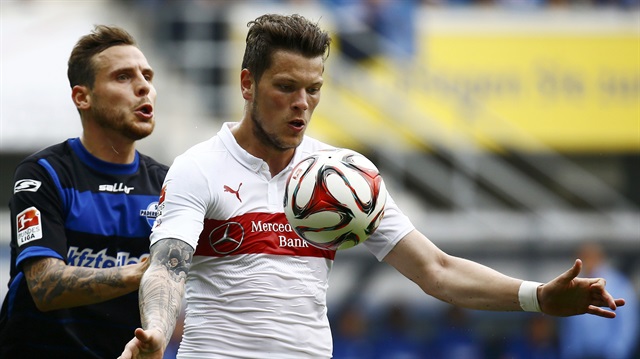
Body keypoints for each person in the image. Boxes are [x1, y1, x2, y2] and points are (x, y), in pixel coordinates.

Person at [119, 14, 626, 359]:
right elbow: (167, 268)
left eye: (313, 89)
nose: (302, 103)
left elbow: (437, 270)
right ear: (248, 84)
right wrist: (157, 333)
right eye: (286, 87)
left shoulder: (341, 178)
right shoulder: (199, 168)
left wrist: (537, 296)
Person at [0, 25, 168, 359]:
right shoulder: (42, 174)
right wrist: (140, 271)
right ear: (83, 97)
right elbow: (45, 286)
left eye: (147, 75)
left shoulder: (168, 184)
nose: (143, 87)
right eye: (123, 77)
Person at [558, 242, 639, 359]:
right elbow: (571, 326)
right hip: (582, 354)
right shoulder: (575, 285)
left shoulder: (618, 284)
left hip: (610, 354)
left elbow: (627, 323)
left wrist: (617, 352)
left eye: (589, 257)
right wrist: (570, 352)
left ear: (600, 258)